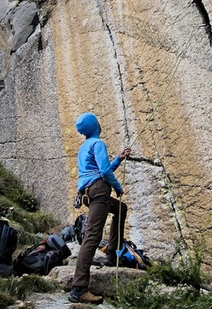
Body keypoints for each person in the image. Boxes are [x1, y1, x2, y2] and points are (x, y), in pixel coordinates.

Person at [68, 112, 131, 304]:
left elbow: (100, 169)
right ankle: (78, 289)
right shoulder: (98, 144)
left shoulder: (84, 147)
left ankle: (112, 253)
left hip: (89, 193)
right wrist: (118, 187)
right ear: (95, 126)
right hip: (99, 192)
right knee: (92, 237)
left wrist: (119, 159)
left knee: (121, 209)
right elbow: (103, 172)